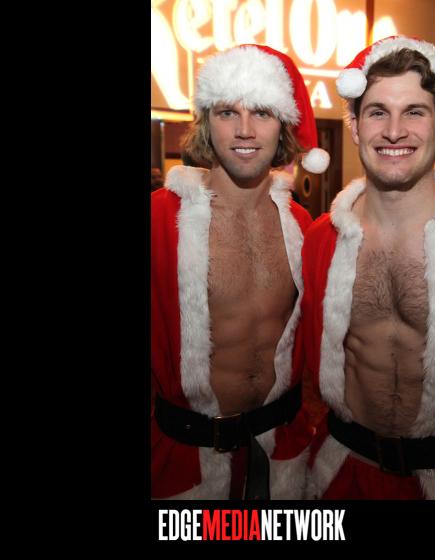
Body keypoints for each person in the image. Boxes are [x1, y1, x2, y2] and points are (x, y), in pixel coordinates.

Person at [301, 36, 435, 500]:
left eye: (414, 112)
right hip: (343, 474)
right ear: (355, 127)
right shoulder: (321, 240)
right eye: (378, 112)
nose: (395, 131)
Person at [151, 44, 330, 500]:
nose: (245, 130)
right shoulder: (158, 220)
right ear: (206, 123)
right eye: (228, 112)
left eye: (262, 113)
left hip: (282, 450)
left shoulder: (303, 227)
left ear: (282, 126)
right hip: (184, 460)